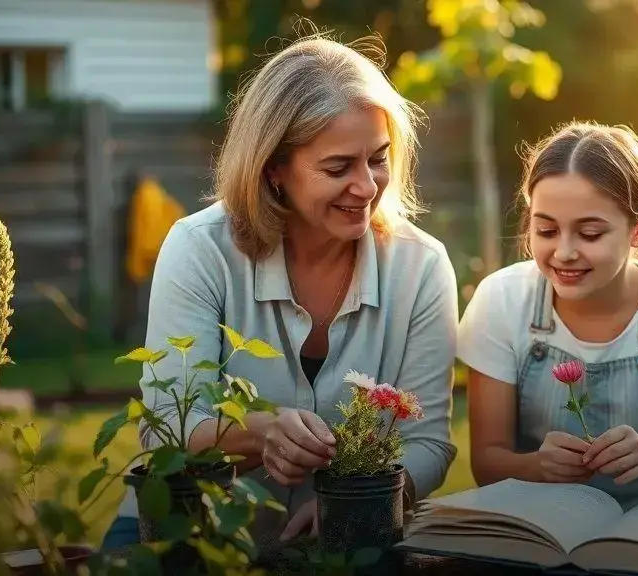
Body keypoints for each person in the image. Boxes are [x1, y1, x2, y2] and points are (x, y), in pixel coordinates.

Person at [100, 33, 459, 549]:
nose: (367, 186)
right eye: (338, 168)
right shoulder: (199, 249)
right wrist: (258, 433)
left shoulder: (421, 266)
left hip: (347, 537)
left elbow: (428, 443)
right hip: (188, 528)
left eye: (377, 159)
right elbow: (166, 432)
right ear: (274, 170)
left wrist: (358, 503)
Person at [457, 121, 638, 511]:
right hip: (532, 531)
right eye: (547, 230)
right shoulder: (501, 300)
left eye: (589, 234)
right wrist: (537, 466)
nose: (565, 252)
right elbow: (487, 464)